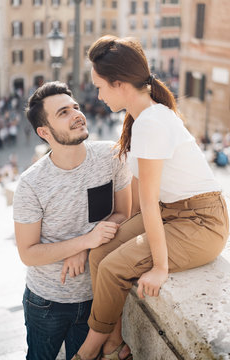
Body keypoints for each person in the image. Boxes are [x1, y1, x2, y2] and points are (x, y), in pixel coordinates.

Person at [72, 35, 229, 360]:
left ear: (120, 84)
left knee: (115, 267)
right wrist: (120, 230)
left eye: (100, 86)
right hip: (172, 212)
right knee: (100, 253)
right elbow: (146, 205)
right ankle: (114, 346)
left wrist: (160, 266)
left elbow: (148, 204)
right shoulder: (143, 117)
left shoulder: (152, 123)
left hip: (201, 223)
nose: (98, 95)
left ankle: (87, 352)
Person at [13, 81, 132, 360]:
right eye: (63, 112)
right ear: (44, 132)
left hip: (95, 300)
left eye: (75, 107)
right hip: (46, 303)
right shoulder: (31, 184)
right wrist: (85, 240)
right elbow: (27, 253)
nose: (77, 114)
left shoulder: (110, 156)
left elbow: (125, 213)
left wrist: (84, 248)